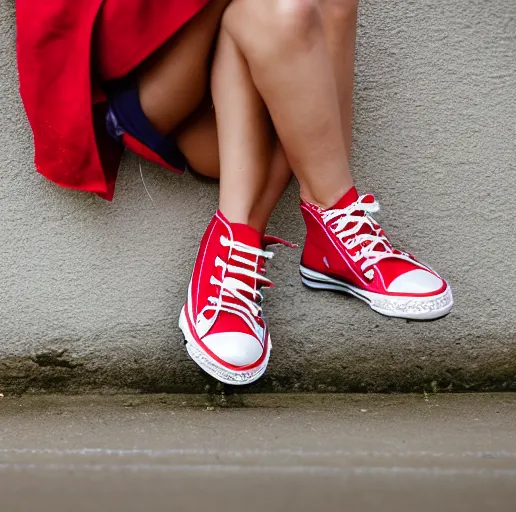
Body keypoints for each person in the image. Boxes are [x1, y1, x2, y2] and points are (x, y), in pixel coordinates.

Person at [15, 0, 454, 385]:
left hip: (249, 90)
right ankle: (328, 216)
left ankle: (240, 242)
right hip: (154, 77)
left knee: (314, 7)